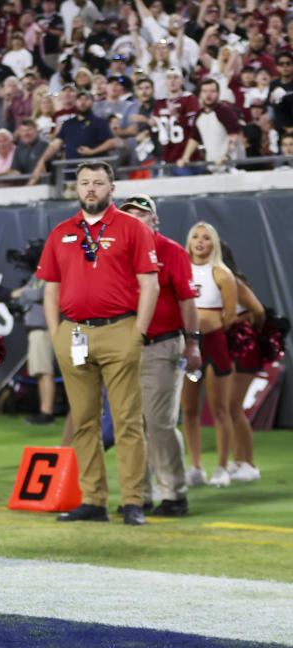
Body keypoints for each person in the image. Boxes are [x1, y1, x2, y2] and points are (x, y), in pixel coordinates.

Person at [35, 161, 159, 526]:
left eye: (99, 182)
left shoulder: (133, 228)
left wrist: (138, 331)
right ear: (76, 188)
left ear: (112, 188)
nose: (91, 188)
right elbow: (50, 289)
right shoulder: (60, 232)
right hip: (73, 333)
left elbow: (149, 283)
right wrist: (57, 332)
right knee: (84, 421)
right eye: (85, 182)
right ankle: (93, 500)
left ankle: (134, 500)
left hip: (120, 328)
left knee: (127, 420)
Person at [119, 194, 202, 517]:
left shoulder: (172, 251)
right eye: (130, 215)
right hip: (125, 348)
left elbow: (187, 302)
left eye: (142, 214)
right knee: (131, 425)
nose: (135, 219)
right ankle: (137, 495)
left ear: (155, 220)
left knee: (159, 423)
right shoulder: (116, 253)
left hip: (162, 344)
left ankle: (174, 494)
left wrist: (193, 343)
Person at [182, 222, 237, 488]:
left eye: (206, 237)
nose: (200, 241)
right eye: (195, 237)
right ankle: (195, 467)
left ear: (213, 243)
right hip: (186, 344)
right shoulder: (181, 269)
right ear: (189, 241)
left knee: (219, 409)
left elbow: (230, 315)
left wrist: (210, 330)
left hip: (214, 344)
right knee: (189, 409)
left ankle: (223, 467)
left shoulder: (222, 274)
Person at [220, 242, 266, 482]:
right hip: (226, 349)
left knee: (232, 407)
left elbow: (258, 311)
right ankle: (239, 461)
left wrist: (246, 330)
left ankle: (248, 463)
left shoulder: (234, 282)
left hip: (244, 349)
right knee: (228, 407)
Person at [11, 273, 57, 424]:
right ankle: (44, 410)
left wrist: (24, 292)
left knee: (45, 372)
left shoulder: (50, 271)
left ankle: (46, 412)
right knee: (40, 373)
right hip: (38, 328)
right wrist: (27, 291)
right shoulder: (39, 272)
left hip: (43, 328)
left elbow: (37, 293)